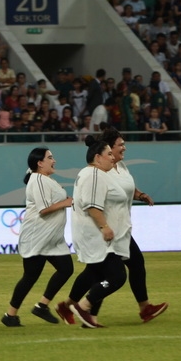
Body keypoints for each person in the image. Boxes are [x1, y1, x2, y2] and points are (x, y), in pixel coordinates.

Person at [55, 136, 128, 328]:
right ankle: (83, 306)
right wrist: (105, 227)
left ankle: (81, 313)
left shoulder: (92, 173)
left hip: (90, 232)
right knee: (117, 276)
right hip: (95, 233)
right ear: (97, 158)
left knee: (94, 274)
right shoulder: (95, 175)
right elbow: (92, 206)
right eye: (109, 154)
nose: (113, 158)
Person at [99, 127, 169, 323]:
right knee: (108, 274)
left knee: (135, 264)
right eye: (121, 144)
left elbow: (127, 187)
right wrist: (103, 226)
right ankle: (82, 306)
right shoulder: (101, 170)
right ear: (109, 148)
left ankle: (144, 308)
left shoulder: (121, 166)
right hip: (109, 228)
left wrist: (140, 195)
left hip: (122, 228)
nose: (125, 148)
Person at [1, 148, 74, 327]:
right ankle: (13, 314)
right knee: (31, 276)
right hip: (38, 237)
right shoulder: (39, 180)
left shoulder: (46, 180)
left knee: (64, 269)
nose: (54, 160)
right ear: (39, 163)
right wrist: (67, 202)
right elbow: (43, 209)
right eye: (50, 157)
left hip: (51, 238)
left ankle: (39, 306)